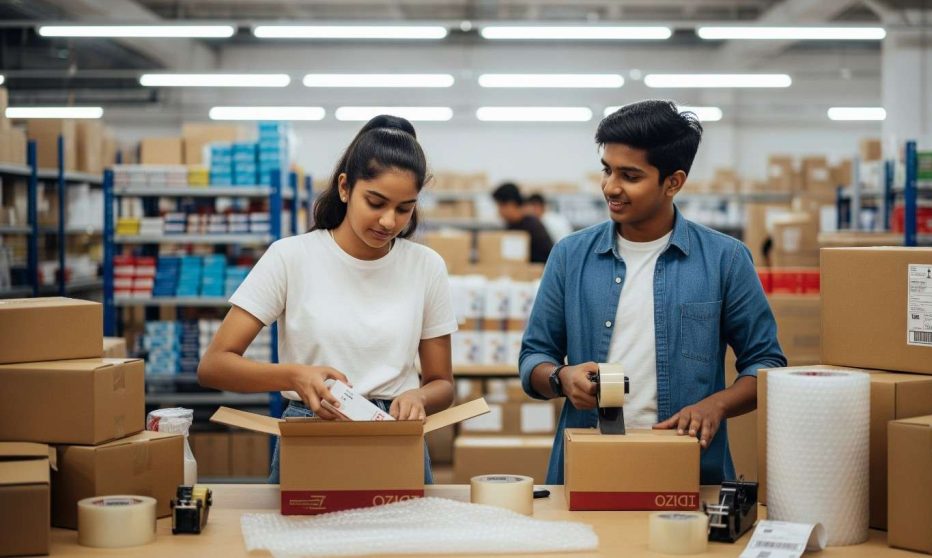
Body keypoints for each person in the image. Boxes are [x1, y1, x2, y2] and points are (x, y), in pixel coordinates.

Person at [518, 100, 786, 485]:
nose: (611, 187)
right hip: (588, 462)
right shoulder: (570, 256)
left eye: (630, 175)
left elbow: (767, 365)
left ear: (673, 182)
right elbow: (533, 357)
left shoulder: (726, 260)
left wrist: (716, 405)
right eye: (607, 170)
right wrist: (561, 377)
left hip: (687, 466)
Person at [198, 115, 458, 484]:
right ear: (345, 188)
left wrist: (419, 397)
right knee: (298, 538)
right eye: (376, 202)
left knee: (405, 541)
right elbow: (214, 366)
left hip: (395, 434)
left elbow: (442, 383)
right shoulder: (290, 257)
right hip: (312, 426)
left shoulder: (426, 266)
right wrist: (294, 375)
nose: (388, 221)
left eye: (404, 208)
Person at [491, 182, 554, 263]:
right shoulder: (512, 224)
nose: (499, 211)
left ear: (511, 204)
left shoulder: (531, 226)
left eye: (500, 206)